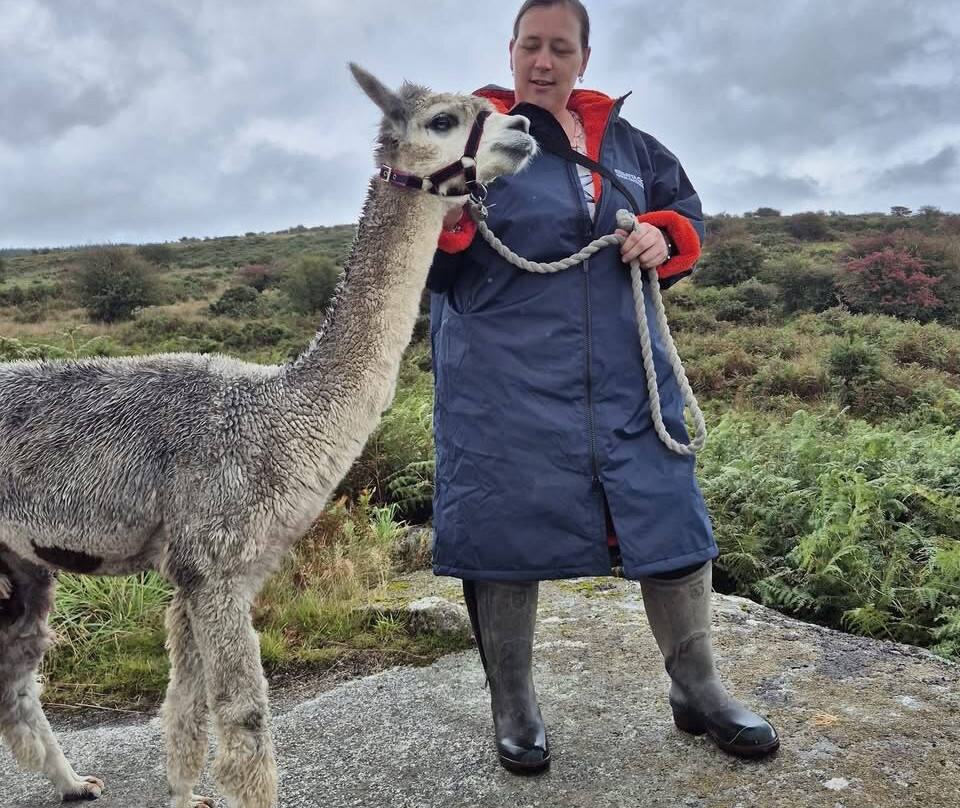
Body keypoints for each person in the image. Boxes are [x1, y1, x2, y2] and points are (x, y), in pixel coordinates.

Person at [427, 0, 779, 774]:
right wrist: (442, 215)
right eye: (531, 46)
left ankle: (699, 690)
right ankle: (513, 704)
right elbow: (433, 265)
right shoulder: (466, 137)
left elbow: (684, 214)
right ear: (510, 50)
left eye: (560, 48)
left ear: (585, 56)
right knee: (503, 535)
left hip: (626, 374)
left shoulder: (629, 144)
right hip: (503, 384)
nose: (543, 62)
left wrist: (663, 234)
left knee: (671, 517)